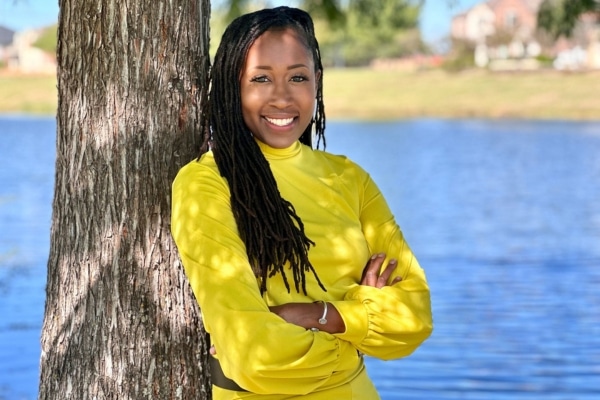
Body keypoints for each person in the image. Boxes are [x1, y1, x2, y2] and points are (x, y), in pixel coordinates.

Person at [171, 6, 433, 399]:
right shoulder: (207, 183)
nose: (282, 97)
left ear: (316, 83)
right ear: (232, 87)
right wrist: (357, 331)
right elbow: (255, 356)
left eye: (298, 77)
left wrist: (318, 316)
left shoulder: (349, 178)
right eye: (261, 78)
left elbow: (414, 317)